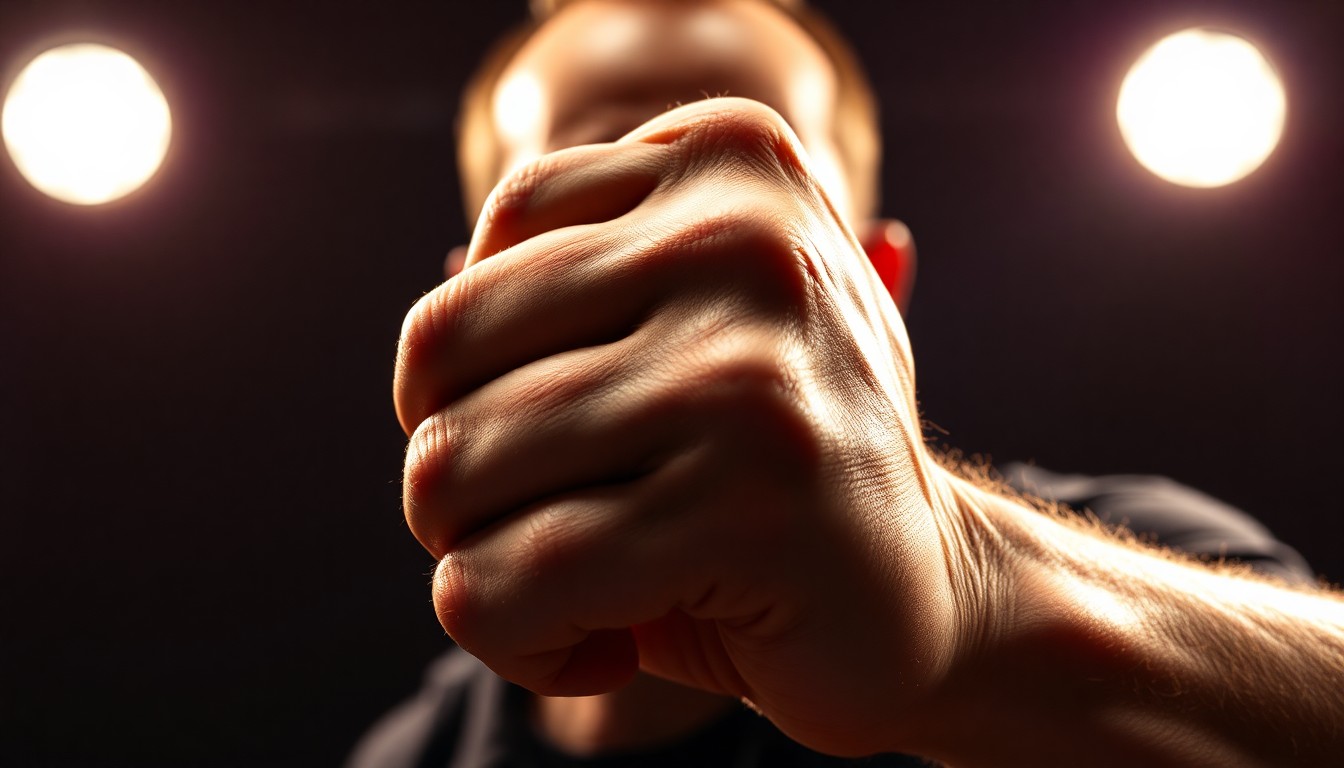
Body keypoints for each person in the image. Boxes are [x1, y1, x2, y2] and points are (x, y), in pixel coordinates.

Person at [358, 1, 1344, 764]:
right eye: (595, 175)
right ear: (473, 296)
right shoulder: (414, 753)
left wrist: (980, 601)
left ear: (872, 282)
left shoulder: (1151, 561)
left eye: (764, 191)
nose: (683, 240)